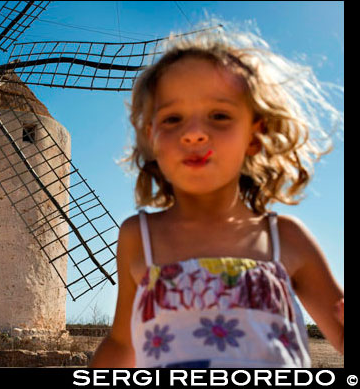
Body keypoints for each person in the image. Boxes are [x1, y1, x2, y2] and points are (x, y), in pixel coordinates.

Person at [89, 20, 343, 368]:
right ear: (151, 138)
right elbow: (121, 343)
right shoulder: (138, 236)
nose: (193, 134)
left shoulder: (285, 238)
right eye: (173, 119)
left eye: (219, 115)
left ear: (255, 134)